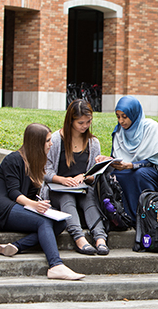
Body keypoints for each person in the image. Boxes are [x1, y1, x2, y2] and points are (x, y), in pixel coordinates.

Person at [0, 123, 85, 280]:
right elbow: (13, 193)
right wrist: (34, 205)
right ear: (36, 143)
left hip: (20, 205)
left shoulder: (36, 163)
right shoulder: (13, 159)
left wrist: (42, 206)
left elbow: (31, 196)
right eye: (47, 141)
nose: (51, 143)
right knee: (42, 222)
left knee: (60, 223)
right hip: (1, 208)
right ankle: (55, 265)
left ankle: (17, 246)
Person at [96, 95, 158, 226]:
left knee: (139, 174)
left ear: (134, 113)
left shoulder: (150, 127)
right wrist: (108, 160)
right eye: (118, 116)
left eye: (124, 116)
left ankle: (144, 215)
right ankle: (124, 216)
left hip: (157, 171)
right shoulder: (119, 131)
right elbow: (117, 157)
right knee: (113, 175)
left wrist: (131, 165)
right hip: (129, 169)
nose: (121, 121)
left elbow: (153, 160)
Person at [40, 99, 109, 255]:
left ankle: (100, 238)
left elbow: (93, 176)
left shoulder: (92, 142)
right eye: (81, 123)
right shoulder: (57, 140)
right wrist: (63, 180)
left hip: (82, 188)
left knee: (90, 196)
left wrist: (84, 176)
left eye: (88, 122)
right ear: (70, 121)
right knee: (67, 197)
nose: (85, 126)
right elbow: (45, 171)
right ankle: (79, 238)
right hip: (59, 189)